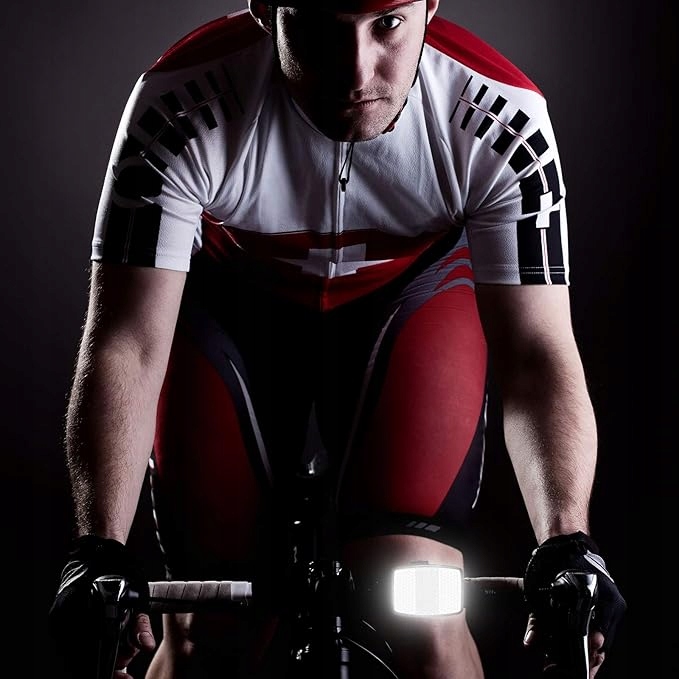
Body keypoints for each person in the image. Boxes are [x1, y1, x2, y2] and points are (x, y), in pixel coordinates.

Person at [48, 1, 626, 678]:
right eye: (320, 27)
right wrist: (99, 549)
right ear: (265, 10)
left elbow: (536, 354)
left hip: (407, 307)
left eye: (387, 24)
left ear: (430, 4)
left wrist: (567, 541)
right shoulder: (181, 102)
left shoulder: (499, 114)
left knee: (422, 603)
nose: (356, 73)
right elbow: (126, 343)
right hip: (235, 313)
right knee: (207, 626)